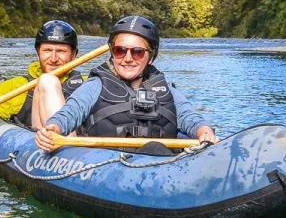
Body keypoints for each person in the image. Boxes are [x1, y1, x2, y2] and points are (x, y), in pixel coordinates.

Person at [35, 15, 219, 151]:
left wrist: (203, 130)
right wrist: (55, 127)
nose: (128, 58)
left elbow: (189, 116)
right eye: (120, 51)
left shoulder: (165, 87)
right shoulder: (96, 85)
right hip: (105, 164)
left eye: (137, 51)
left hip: (161, 160)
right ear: (112, 53)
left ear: (151, 57)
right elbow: (71, 112)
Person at [0, 20, 85, 130]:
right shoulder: (18, 87)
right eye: (47, 50)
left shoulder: (87, 84)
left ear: (74, 54)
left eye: (61, 51)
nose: (53, 58)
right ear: (38, 52)